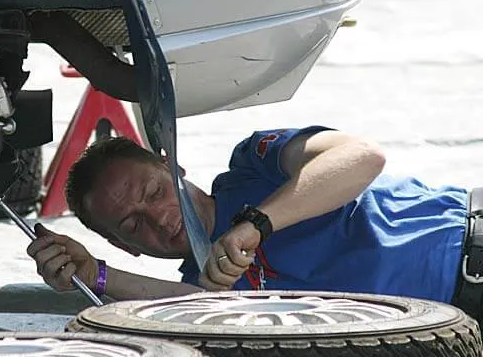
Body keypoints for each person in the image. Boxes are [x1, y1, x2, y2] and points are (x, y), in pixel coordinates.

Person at [26, 126, 483, 320]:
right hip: (458, 329)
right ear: (127, 247)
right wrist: (95, 276)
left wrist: (257, 224)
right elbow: (199, 309)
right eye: (132, 224)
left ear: (175, 168)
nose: (160, 217)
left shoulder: (252, 165)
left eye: (155, 192)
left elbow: (362, 157)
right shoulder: (200, 298)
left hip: (469, 241)